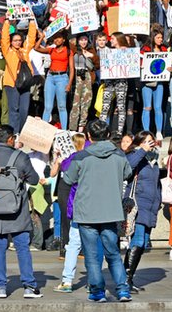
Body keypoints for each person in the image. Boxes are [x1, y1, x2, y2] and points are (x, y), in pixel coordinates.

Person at [55, 119, 133, 301]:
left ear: (89, 136)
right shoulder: (119, 155)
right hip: (110, 210)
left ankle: (98, 291)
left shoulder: (81, 157)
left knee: (91, 255)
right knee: (113, 252)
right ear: (107, 135)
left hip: (86, 211)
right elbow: (128, 173)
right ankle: (122, 289)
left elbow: (68, 179)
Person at [0, 125, 42, 299]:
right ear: (9, 139)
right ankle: (29, 286)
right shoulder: (20, 158)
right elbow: (35, 180)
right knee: (22, 247)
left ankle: (0, 287)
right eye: (13, 138)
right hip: (17, 211)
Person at [123, 132, 161, 293]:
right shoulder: (134, 155)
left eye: (151, 141)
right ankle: (125, 279)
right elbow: (127, 168)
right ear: (138, 143)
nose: (149, 144)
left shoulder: (153, 160)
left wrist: (159, 200)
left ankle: (128, 277)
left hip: (151, 207)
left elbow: (156, 183)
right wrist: (142, 150)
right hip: (138, 205)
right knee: (137, 240)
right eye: (146, 141)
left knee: (143, 242)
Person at [0, 19, 38, 134]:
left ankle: (21, 132)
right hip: (12, 83)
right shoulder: (8, 51)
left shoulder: (24, 51)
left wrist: (31, 22)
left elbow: (31, 39)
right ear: (11, 42)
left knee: (24, 110)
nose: (17, 42)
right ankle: (14, 133)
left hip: (25, 83)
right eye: (15, 40)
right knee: (13, 109)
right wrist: (6, 22)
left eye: (19, 40)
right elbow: (4, 39)